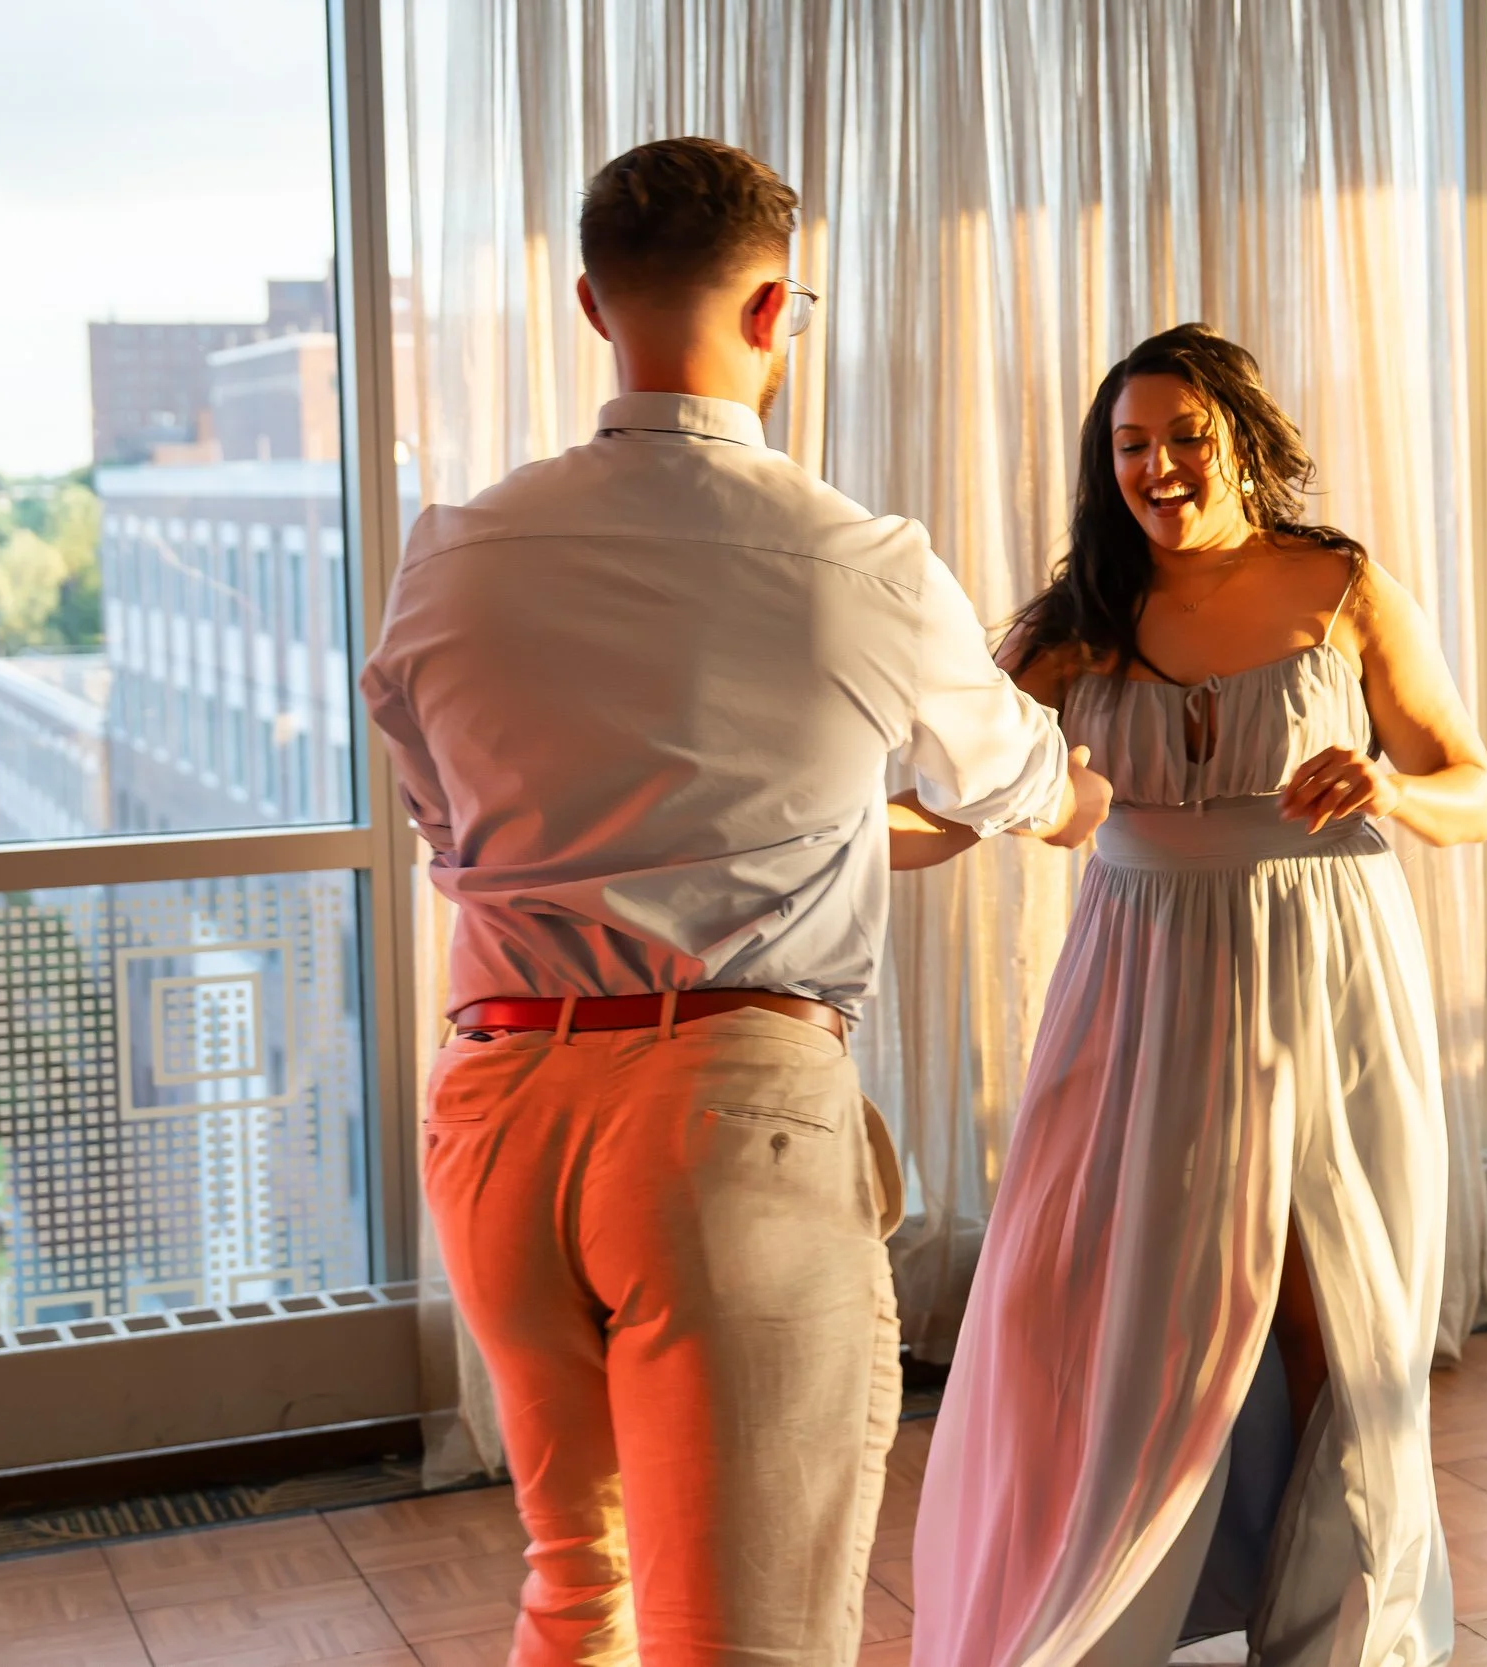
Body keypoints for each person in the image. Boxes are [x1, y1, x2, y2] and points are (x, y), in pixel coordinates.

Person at [360, 135, 1110, 1667]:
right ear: (776, 312)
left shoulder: (452, 556)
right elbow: (1019, 785)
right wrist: (1078, 793)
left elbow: (455, 829)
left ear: (593, 305)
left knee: (582, 1584)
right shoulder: (858, 561)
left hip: (497, 1111)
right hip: (725, 1121)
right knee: (749, 1631)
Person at [910, 324, 1487, 1667]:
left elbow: (1470, 789)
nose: (1159, 467)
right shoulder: (1074, 626)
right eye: (1131, 445)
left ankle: (1334, 1628)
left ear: (1242, 439)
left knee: (1332, 1304)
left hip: (1328, 980)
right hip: (1143, 993)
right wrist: (802, 828)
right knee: (1123, 1312)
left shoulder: (1340, 584)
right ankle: (1093, 1604)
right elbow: (950, 804)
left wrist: (1388, 785)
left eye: (1186, 437)